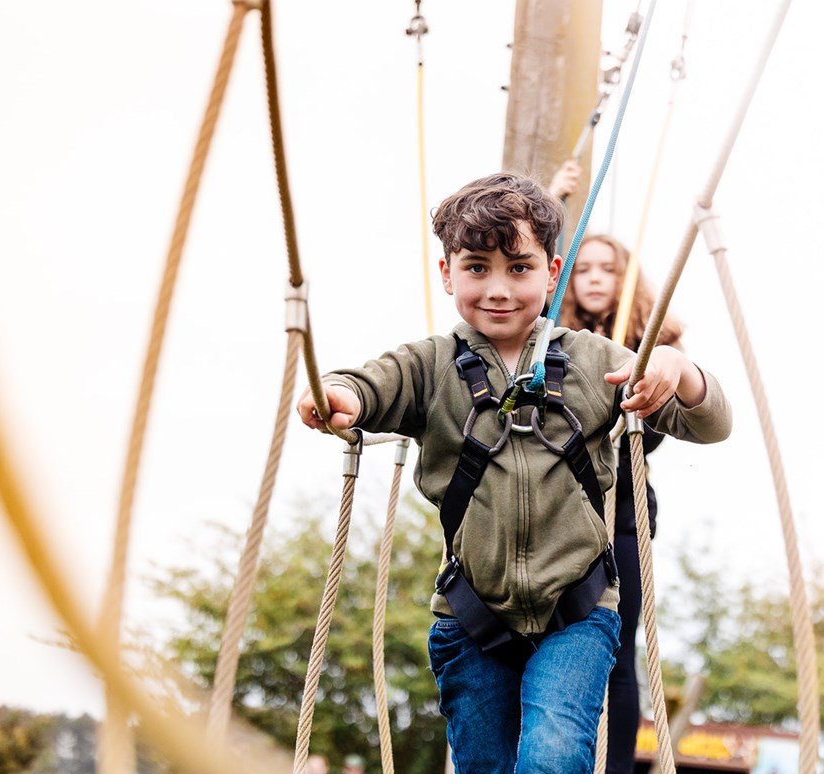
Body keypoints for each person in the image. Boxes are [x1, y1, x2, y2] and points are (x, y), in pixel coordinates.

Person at [296, 172, 732, 773]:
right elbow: (370, 385)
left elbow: (711, 424)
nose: (498, 289)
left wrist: (676, 368)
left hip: (577, 615)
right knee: (483, 766)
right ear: (447, 273)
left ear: (553, 274)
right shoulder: (430, 366)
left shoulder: (594, 362)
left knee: (553, 757)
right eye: (477, 268)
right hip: (472, 620)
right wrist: (339, 395)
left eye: (519, 269)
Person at [551, 161, 684, 774]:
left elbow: (661, 428)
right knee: (547, 644)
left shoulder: (654, 345)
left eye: (609, 268)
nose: (596, 278)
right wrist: (551, 203)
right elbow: (524, 280)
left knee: (615, 648)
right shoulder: (552, 340)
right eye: (584, 268)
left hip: (623, 507)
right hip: (557, 510)